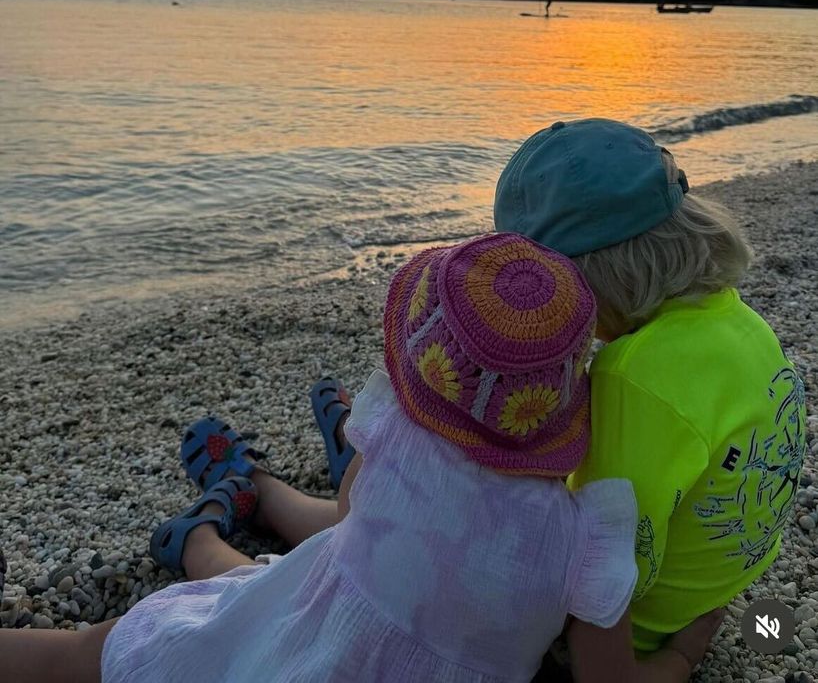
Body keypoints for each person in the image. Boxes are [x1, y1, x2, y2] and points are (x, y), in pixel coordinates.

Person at [0, 234, 721, 683]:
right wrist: (690, 649)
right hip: (326, 613)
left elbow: (350, 522)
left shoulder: (396, 436)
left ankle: (209, 523)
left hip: (311, 620)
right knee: (261, 597)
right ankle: (215, 517)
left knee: (119, 646)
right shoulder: (588, 539)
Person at [493, 118, 806, 653]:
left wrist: (671, 661)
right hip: (724, 581)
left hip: (639, 633)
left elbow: (609, 570)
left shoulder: (630, 377)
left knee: (429, 538)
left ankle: (336, 496)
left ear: (580, 276)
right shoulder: (740, 321)